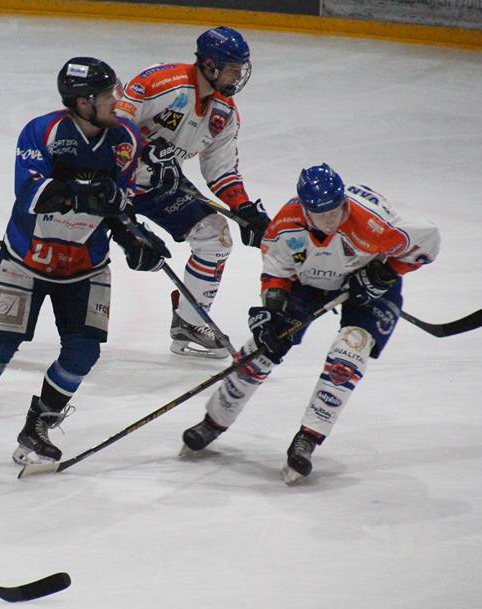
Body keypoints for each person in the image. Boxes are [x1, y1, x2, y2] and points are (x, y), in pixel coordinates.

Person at [0, 57, 170, 464]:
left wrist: (132, 234)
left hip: (86, 262)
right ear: (82, 102)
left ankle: (38, 426)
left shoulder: (125, 138)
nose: (116, 100)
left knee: (83, 352)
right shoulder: (42, 131)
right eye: (107, 95)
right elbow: (32, 193)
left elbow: (120, 202)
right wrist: (89, 193)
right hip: (27, 258)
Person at [181, 163, 440, 483]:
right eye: (323, 214)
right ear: (305, 211)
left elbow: (427, 239)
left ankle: (309, 438)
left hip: (367, 286)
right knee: (260, 350)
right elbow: (276, 275)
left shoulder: (374, 225)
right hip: (308, 282)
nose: (333, 218)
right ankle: (213, 421)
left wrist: (384, 273)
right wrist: (272, 314)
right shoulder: (285, 228)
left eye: (337, 209)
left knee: (349, 352)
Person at [115, 26, 271, 358]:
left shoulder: (224, 113)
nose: (238, 75)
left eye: (241, 68)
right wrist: (143, 146)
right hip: (109, 181)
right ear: (210, 65)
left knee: (215, 237)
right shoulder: (163, 83)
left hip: (158, 186)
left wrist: (244, 209)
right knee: (68, 253)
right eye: (232, 68)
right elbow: (114, 122)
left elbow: (221, 170)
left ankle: (188, 320)